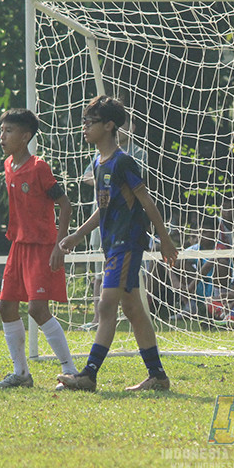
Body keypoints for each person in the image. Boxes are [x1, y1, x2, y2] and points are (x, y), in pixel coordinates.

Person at [56, 96, 179, 392]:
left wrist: (164, 239)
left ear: (109, 125)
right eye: (84, 122)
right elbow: (105, 208)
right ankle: (158, 376)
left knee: (106, 304)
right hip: (111, 244)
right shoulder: (98, 163)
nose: (84, 128)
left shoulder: (123, 161)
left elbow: (145, 199)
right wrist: (78, 234)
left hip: (128, 242)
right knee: (133, 309)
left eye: (90, 122)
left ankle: (89, 374)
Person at [0, 109, 78, 389]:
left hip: (41, 246)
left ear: (26, 136)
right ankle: (21, 374)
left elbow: (65, 204)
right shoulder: (8, 165)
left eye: (9, 131)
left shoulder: (39, 167)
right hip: (18, 245)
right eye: (1, 130)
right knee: (6, 306)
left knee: (38, 309)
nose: (2, 136)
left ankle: (71, 370)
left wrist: (59, 245)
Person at [78, 120, 147, 330]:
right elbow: (87, 176)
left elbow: (142, 194)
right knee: (99, 271)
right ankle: (97, 320)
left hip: (125, 228)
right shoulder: (100, 156)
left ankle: (106, 323)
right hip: (102, 221)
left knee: (128, 287)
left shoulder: (134, 154)